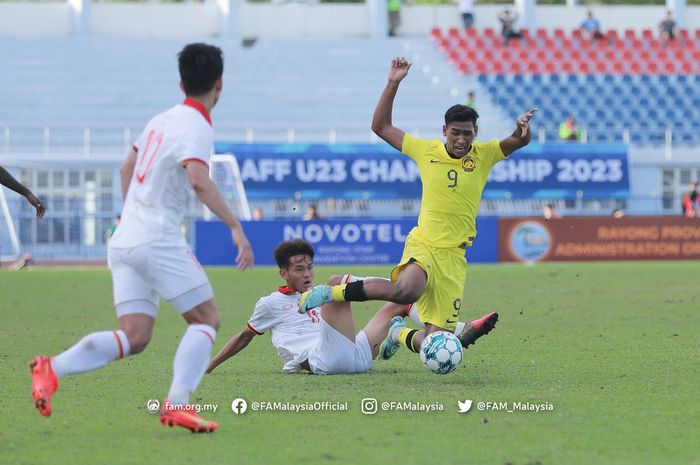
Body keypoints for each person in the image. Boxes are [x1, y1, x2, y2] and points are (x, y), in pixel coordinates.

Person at [29, 43, 254, 433]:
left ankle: (52, 367)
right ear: (220, 83)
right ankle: (177, 404)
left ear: (181, 81)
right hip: (156, 239)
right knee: (207, 319)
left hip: (124, 238)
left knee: (135, 336)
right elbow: (199, 181)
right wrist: (236, 227)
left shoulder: (162, 119)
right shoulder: (197, 125)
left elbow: (126, 166)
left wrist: (132, 213)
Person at [299, 57, 533, 360]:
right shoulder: (427, 151)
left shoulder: (484, 154)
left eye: (468, 133)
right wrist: (393, 83)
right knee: (406, 291)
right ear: (444, 130)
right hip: (425, 243)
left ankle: (397, 332)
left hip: (454, 257)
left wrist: (522, 130)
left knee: (436, 345)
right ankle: (330, 293)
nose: (462, 139)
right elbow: (380, 126)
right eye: (456, 132)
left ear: (476, 132)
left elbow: (517, 141)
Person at [207, 240, 498, 375]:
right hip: (323, 360)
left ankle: (405, 335)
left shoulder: (317, 294)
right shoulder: (270, 303)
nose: (307, 274)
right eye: (298, 269)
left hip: (356, 358)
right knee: (335, 285)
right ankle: (454, 329)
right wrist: (209, 366)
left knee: (399, 302)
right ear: (283, 273)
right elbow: (244, 335)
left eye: (309, 267)